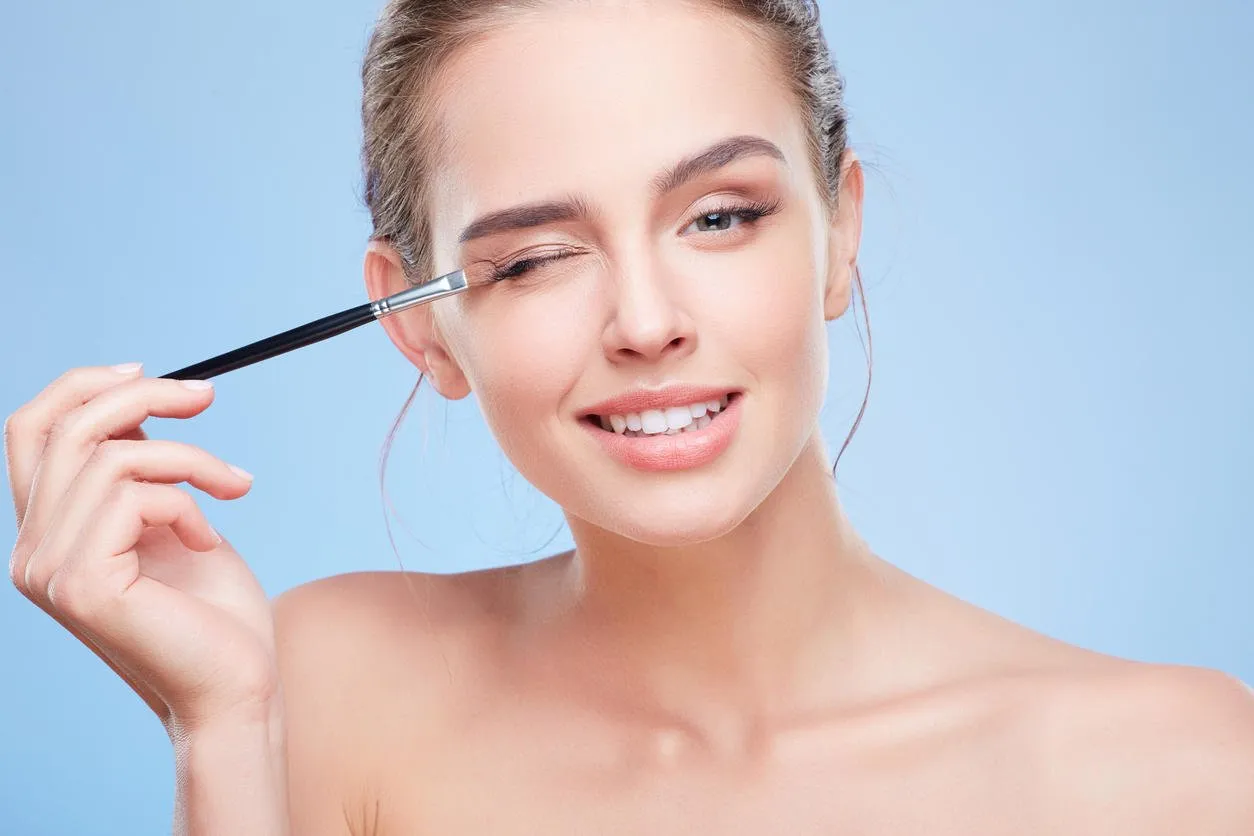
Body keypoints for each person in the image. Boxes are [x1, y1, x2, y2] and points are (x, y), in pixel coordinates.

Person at [6, 1, 1253, 833]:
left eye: (720, 216)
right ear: (418, 319)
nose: (645, 321)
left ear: (840, 230)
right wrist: (218, 734)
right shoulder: (325, 686)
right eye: (538, 256)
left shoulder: (1177, 770)